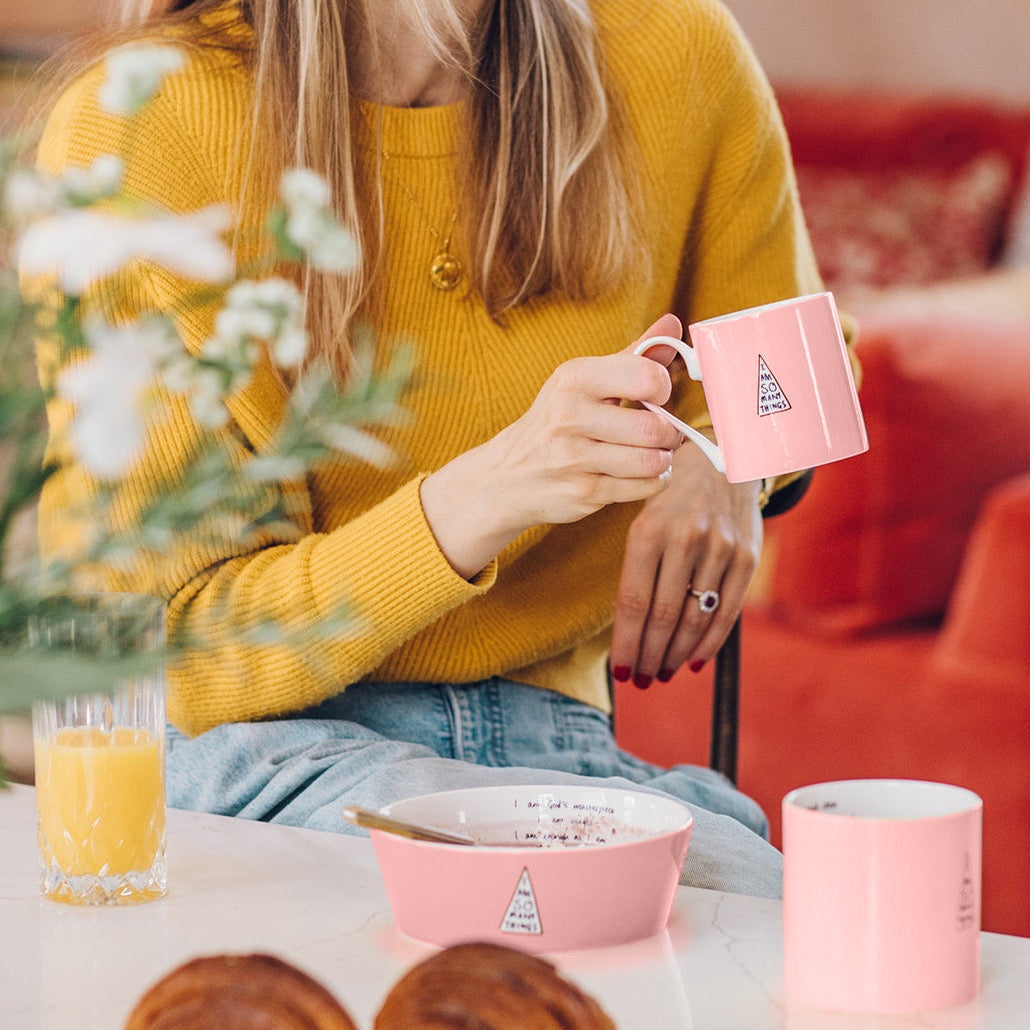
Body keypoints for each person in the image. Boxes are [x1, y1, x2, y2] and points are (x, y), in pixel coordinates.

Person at [35, 0, 850, 899]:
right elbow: (168, 647)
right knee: (699, 892)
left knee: (767, 903)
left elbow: (797, 353)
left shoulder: (676, 49)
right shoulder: (144, 119)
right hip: (257, 748)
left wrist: (730, 461)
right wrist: (492, 491)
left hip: (553, 750)